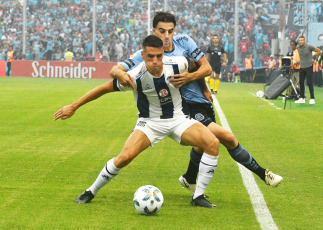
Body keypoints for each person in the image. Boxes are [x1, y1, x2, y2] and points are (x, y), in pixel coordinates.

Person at [110, 12, 283, 197]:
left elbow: (206, 68)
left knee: (202, 145)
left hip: (199, 102)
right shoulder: (146, 54)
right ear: (154, 31)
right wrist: (119, 74)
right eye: (162, 31)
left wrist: (193, 80)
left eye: (170, 31)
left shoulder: (184, 42)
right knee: (227, 138)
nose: (167, 36)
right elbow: (116, 70)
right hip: (182, 108)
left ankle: (189, 178)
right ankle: (263, 174)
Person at [54, 35, 220, 208]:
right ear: (143, 54)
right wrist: (74, 106)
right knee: (124, 157)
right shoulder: (134, 76)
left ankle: (198, 196)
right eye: (150, 57)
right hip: (150, 123)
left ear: (163, 54)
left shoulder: (178, 63)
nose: (155, 61)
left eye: (158, 56)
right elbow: (103, 89)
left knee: (212, 143)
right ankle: (91, 190)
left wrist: (203, 86)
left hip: (179, 119)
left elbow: (198, 68)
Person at [295, 36, 321, 104]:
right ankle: (302, 98)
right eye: (299, 40)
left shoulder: (309, 46)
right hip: (302, 67)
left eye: (302, 40)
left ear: (304, 41)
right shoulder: (298, 47)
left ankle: (312, 98)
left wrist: (316, 60)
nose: (300, 42)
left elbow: (318, 50)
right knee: (301, 82)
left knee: (309, 83)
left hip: (309, 66)